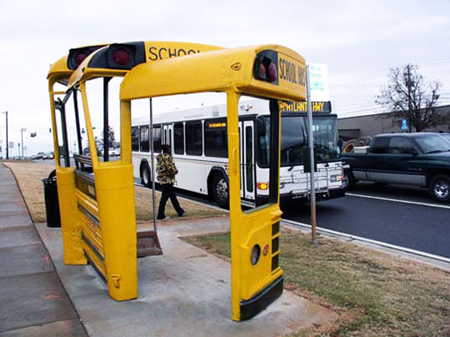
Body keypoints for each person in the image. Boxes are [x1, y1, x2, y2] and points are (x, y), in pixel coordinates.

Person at [156, 144, 185, 220]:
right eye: (169, 148)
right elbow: (170, 167)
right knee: (164, 198)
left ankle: (180, 211)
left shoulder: (161, 157)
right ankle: (160, 215)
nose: (170, 150)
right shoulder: (167, 157)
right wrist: (175, 171)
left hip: (163, 179)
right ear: (167, 149)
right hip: (167, 180)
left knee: (173, 197)